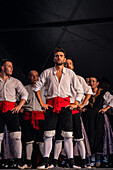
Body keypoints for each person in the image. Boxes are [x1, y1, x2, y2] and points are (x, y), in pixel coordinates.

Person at [33, 47, 84, 169]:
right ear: (54, 58)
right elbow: (36, 88)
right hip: (51, 106)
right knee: (49, 134)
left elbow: (80, 90)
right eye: (57, 55)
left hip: (66, 107)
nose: (59, 57)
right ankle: (46, 161)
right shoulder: (47, 72)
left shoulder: (70, 73)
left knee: (68, 135)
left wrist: (76, 103)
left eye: (61, 56)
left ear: (64, 58)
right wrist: (42, 103)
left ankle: (71, 162)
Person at [0, 59, 28, 168]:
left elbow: (24, 94)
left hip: (11, 111)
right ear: (3, 68)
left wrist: (19, 106)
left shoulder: (15, 81)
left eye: (12, 66)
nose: (12, 68)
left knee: (16, 136)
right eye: (9, 66)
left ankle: (19, 161)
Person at [82, 76, 113, 168]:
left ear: (97, 83)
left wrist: (106, 108)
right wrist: (83, 108)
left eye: (93, 81)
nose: (91, 83)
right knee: (89, 136)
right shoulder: (87, 93)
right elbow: (82, 102)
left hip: (99, 117)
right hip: (89, 117)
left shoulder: (103, 92)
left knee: (99, 136)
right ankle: (91, 159)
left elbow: (112, 100)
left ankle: (99, 158)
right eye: (90, 81)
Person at [19, 70, 45, 169]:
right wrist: (21, 107)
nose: (34, 78)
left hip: (40, 116)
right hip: (27, 115)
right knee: (29, 140)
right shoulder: (24, 89)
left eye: (36, 76)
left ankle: (44, 161)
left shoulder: (43, 88)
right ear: (28, 77)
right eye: (32, 76)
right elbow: (19, 100)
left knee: (40, 140)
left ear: (39, 77)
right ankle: (28, 162)